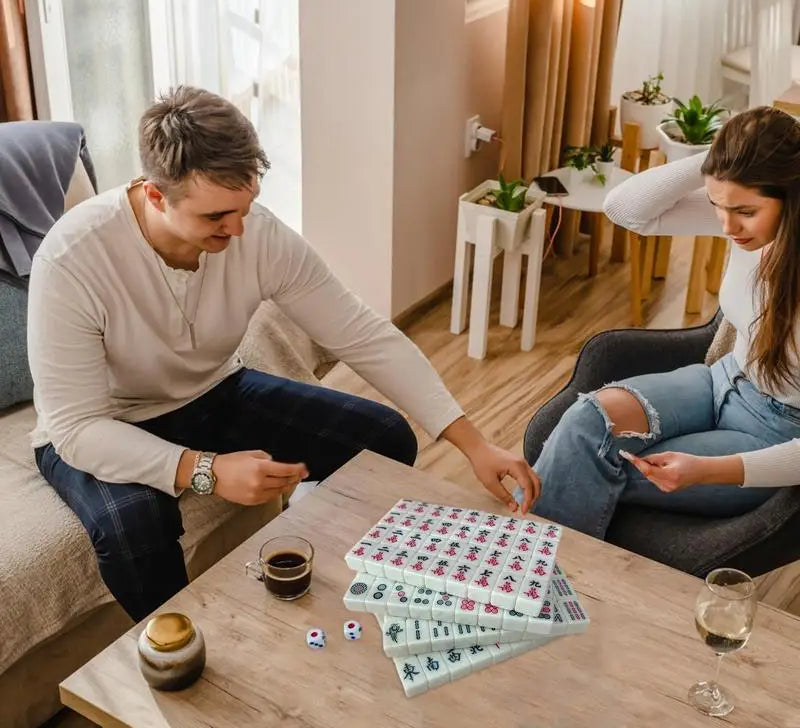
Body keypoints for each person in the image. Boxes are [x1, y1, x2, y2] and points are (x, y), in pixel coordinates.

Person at [28, 86, 541, 621]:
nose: (238, 229)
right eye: (216, 217)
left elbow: (361, 333)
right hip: (106, 426)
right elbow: (77, 428)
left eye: (245, 206)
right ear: (157, 197)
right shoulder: (72, 259)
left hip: (211, 392)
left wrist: (474, 444)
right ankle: (185, 648)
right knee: (135, 528)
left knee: (384, 438)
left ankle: (314, 569)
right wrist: (205, 470)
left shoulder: (255, 235)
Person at [522, 106, 800, 538]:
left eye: (745, 210)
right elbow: (626, 209)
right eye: (716, 205)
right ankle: (516, 573)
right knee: (584, 424)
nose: (727, 226)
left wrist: (708, 471)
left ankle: (524, 579)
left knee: (591, 466)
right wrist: (718, 157)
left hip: (776, 433)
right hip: (720, 381)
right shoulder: (744, 219)